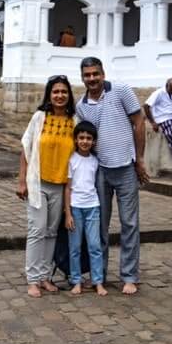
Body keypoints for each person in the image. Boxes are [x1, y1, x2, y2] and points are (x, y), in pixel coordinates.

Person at [75, 56, 149, 295]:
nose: (92, 79)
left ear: (103, 73)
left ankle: (130, 276)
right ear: (82, 77)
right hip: (100, 170)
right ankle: (100, 275)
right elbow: (87, 138)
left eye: (95, 74)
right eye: (87, 75)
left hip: (126, 166)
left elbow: (139, 122)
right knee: (100, 227)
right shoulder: (82, 105)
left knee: (129, 223)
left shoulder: (121, 90)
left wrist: (140, 159)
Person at [17, 75, 78, 297]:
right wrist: (22, 180)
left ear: (69, 95)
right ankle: (32, 279)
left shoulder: (75, 120)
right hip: (38, 183)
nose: (60, 96)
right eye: (55, 92)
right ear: (49, 95)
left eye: (64, 92)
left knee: (52, 232)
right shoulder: (39, 117)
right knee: (37, 230)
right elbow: (25, 148)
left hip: (61, 186)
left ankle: (44, 277)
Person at [64, 121, 107, 296]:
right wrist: (67, 213)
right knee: (74, 247)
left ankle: (97, 281)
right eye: (81, 137)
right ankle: (76, 281)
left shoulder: (96, 161)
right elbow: (67, 188)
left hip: (93, 207)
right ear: (75, 139)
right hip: (75, 208)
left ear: (94, 141)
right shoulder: (71, 160)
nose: (85, 141)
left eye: (89, 138)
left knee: (95, 246)